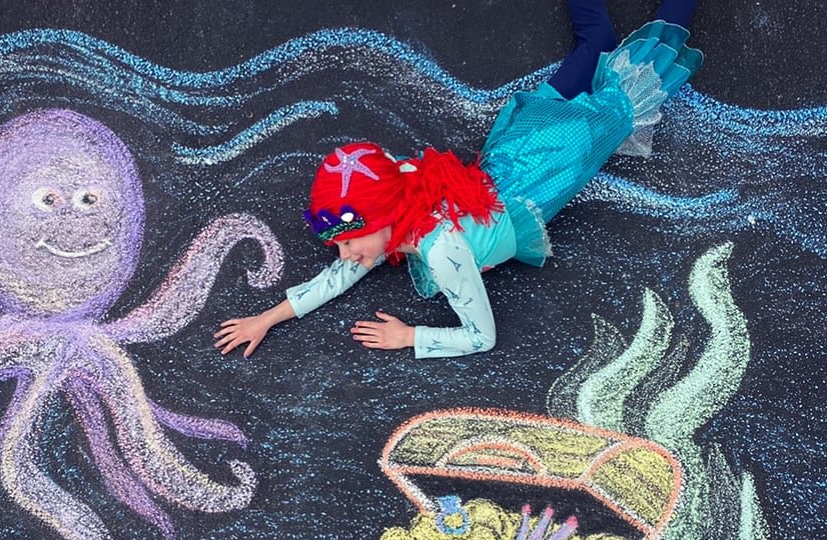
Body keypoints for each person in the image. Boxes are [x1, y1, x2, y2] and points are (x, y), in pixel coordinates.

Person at [216, 1, 702, 359]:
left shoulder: (443, 253)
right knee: (595, 46)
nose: (345, 256)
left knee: (634, 83)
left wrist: (409, 337)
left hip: (553, 162)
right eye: (341, 244)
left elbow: (481, 337)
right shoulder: (397, 192)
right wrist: (265, 319)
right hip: (514, 151)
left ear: (381, 217)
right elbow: (336, 278)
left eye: (347, 241)